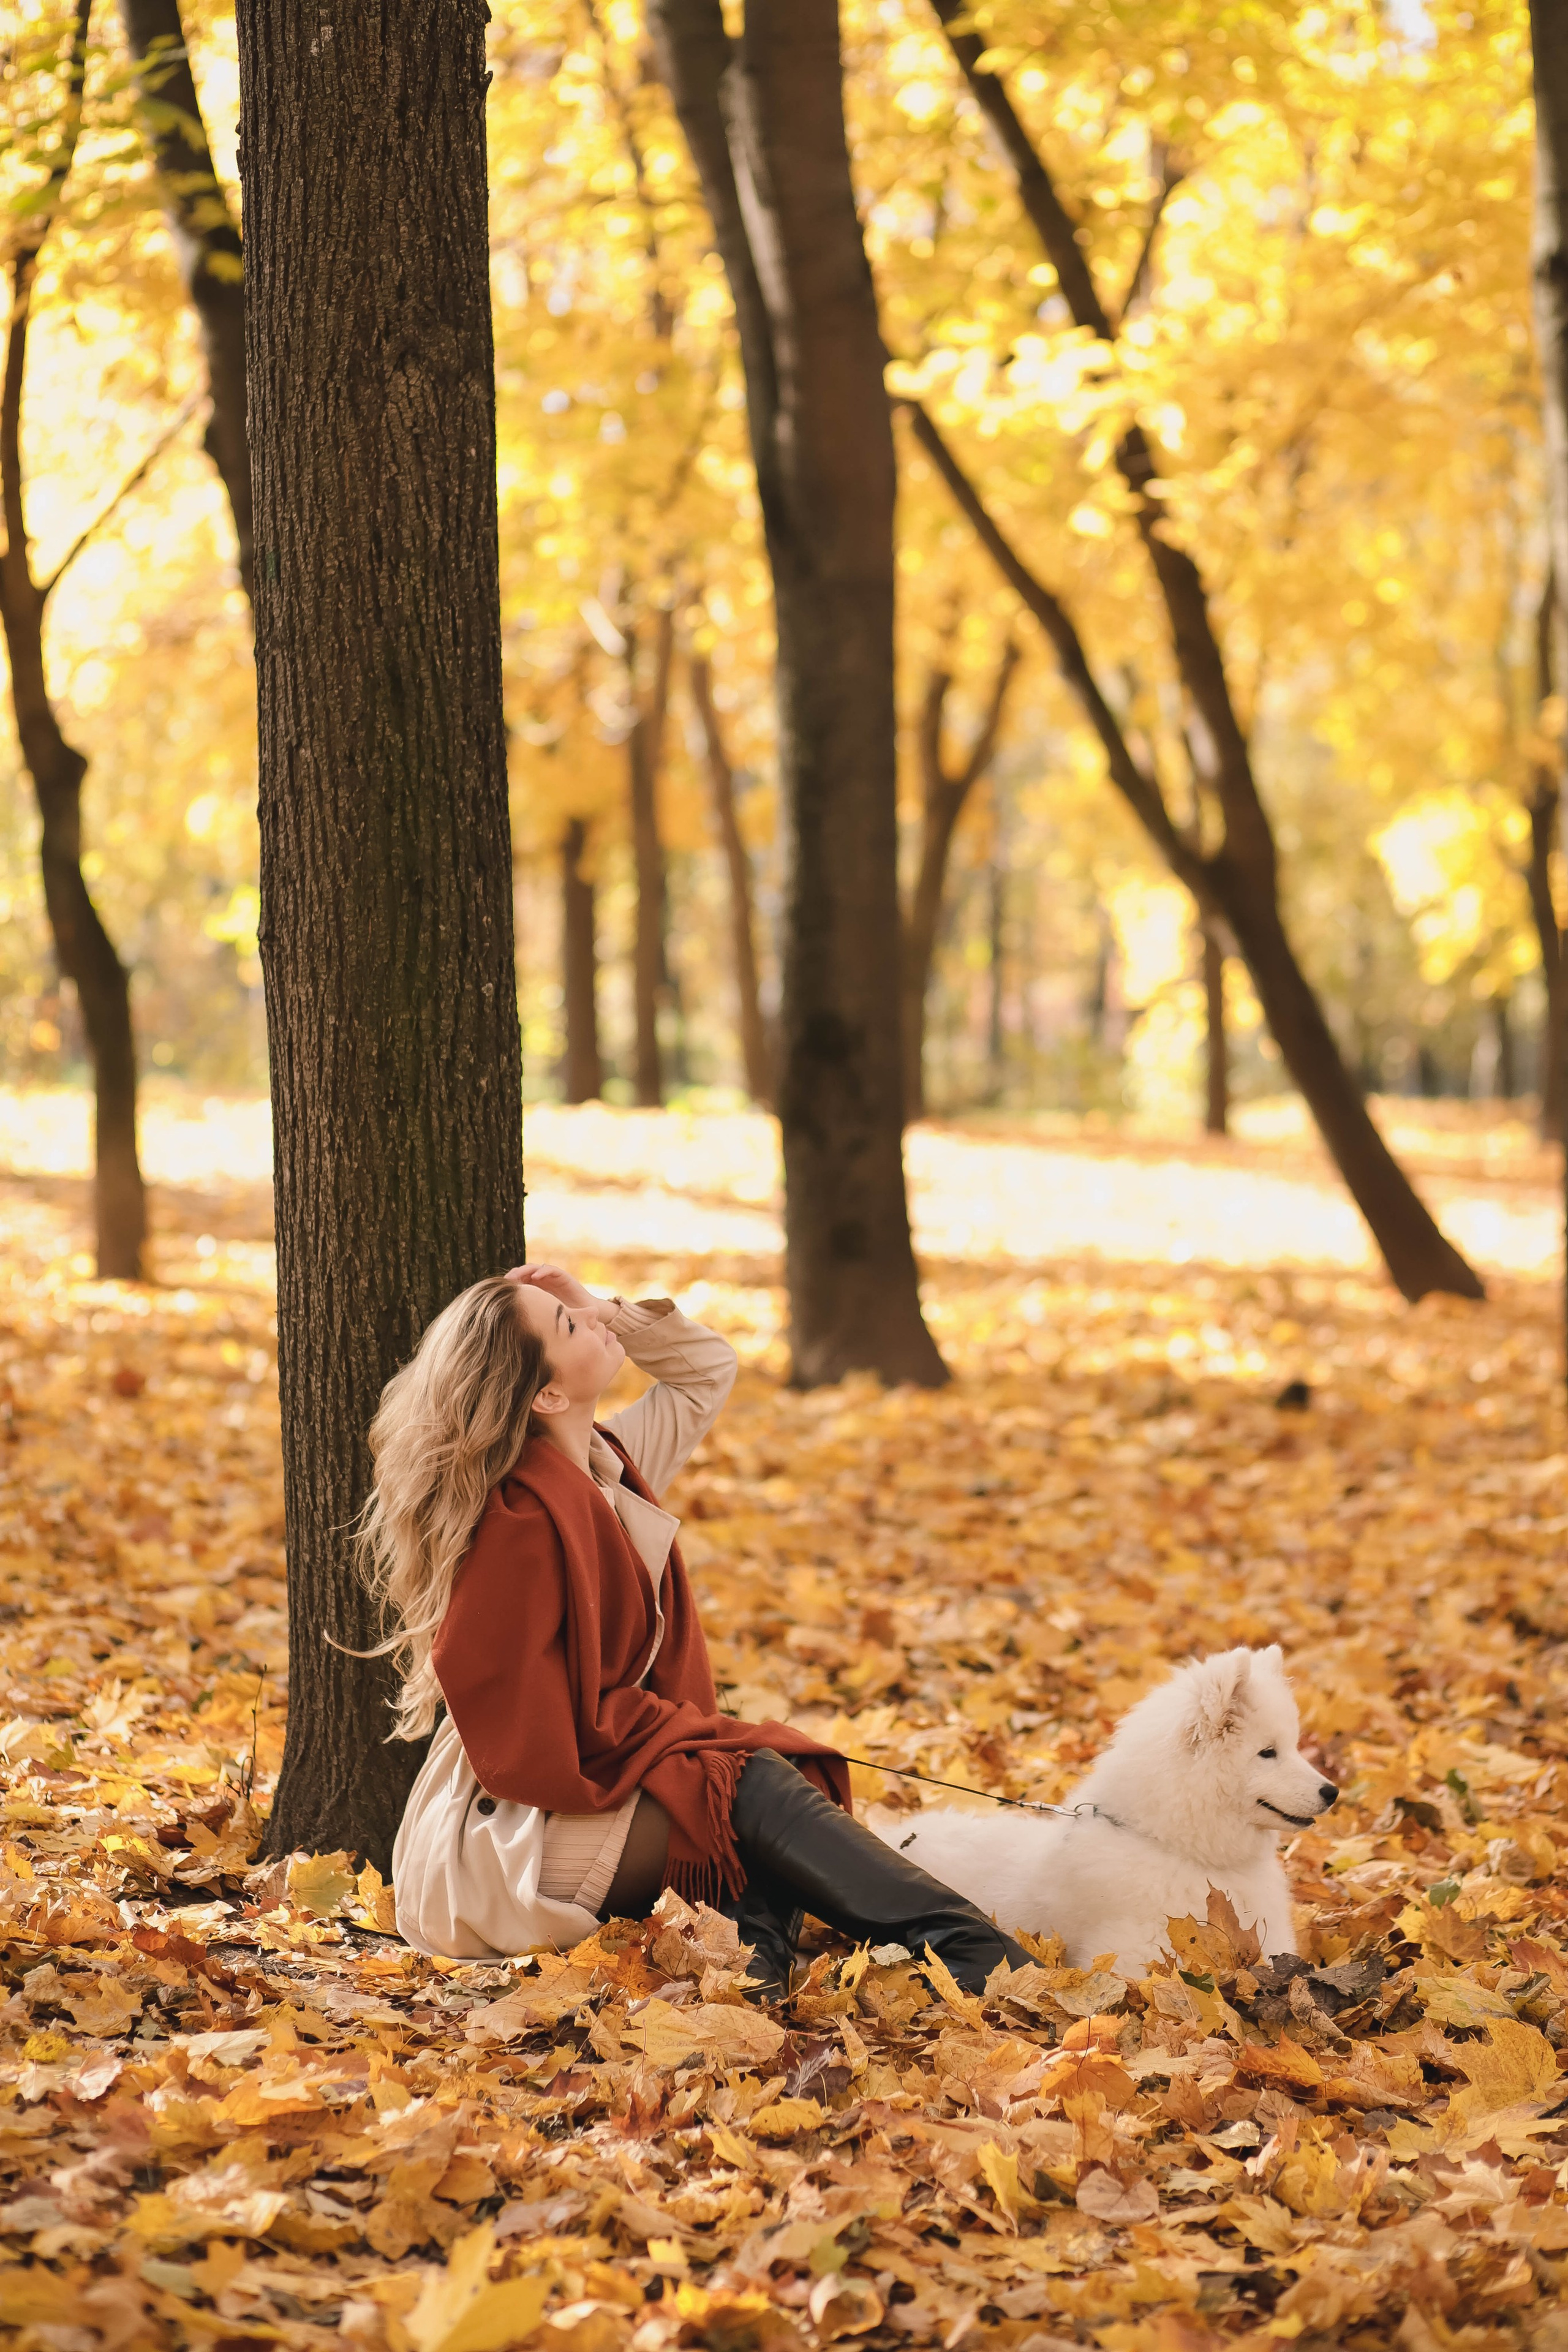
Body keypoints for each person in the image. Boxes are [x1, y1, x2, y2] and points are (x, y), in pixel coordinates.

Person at [368, 1262, 1030, 1999]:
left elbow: (705, 1373)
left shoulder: (605, 1464)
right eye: (566, 1324)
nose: (586, 1319)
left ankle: (753, 1981)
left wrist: (601, 1310)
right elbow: (521, 1736)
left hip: (580, 1794)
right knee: (739, 1782)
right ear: (548, 1392)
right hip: (502, 1843)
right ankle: (983, 1959)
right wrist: (679, 1738)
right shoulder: (517, 1522)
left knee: (740, 1786)